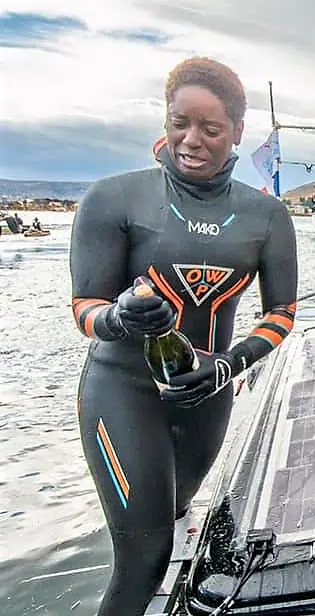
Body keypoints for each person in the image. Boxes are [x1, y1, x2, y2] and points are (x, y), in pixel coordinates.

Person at [69, 57, 298, 616]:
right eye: (179, 123)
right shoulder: (114, 198)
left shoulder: (266, 216)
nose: (190, 140)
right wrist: (119, 318)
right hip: (122, 390)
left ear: (238, 133)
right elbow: (84, 308)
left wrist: (230, 365)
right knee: (145, 556)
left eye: (210, 129)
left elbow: (282, 313)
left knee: (176, 510)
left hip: (207, 396)